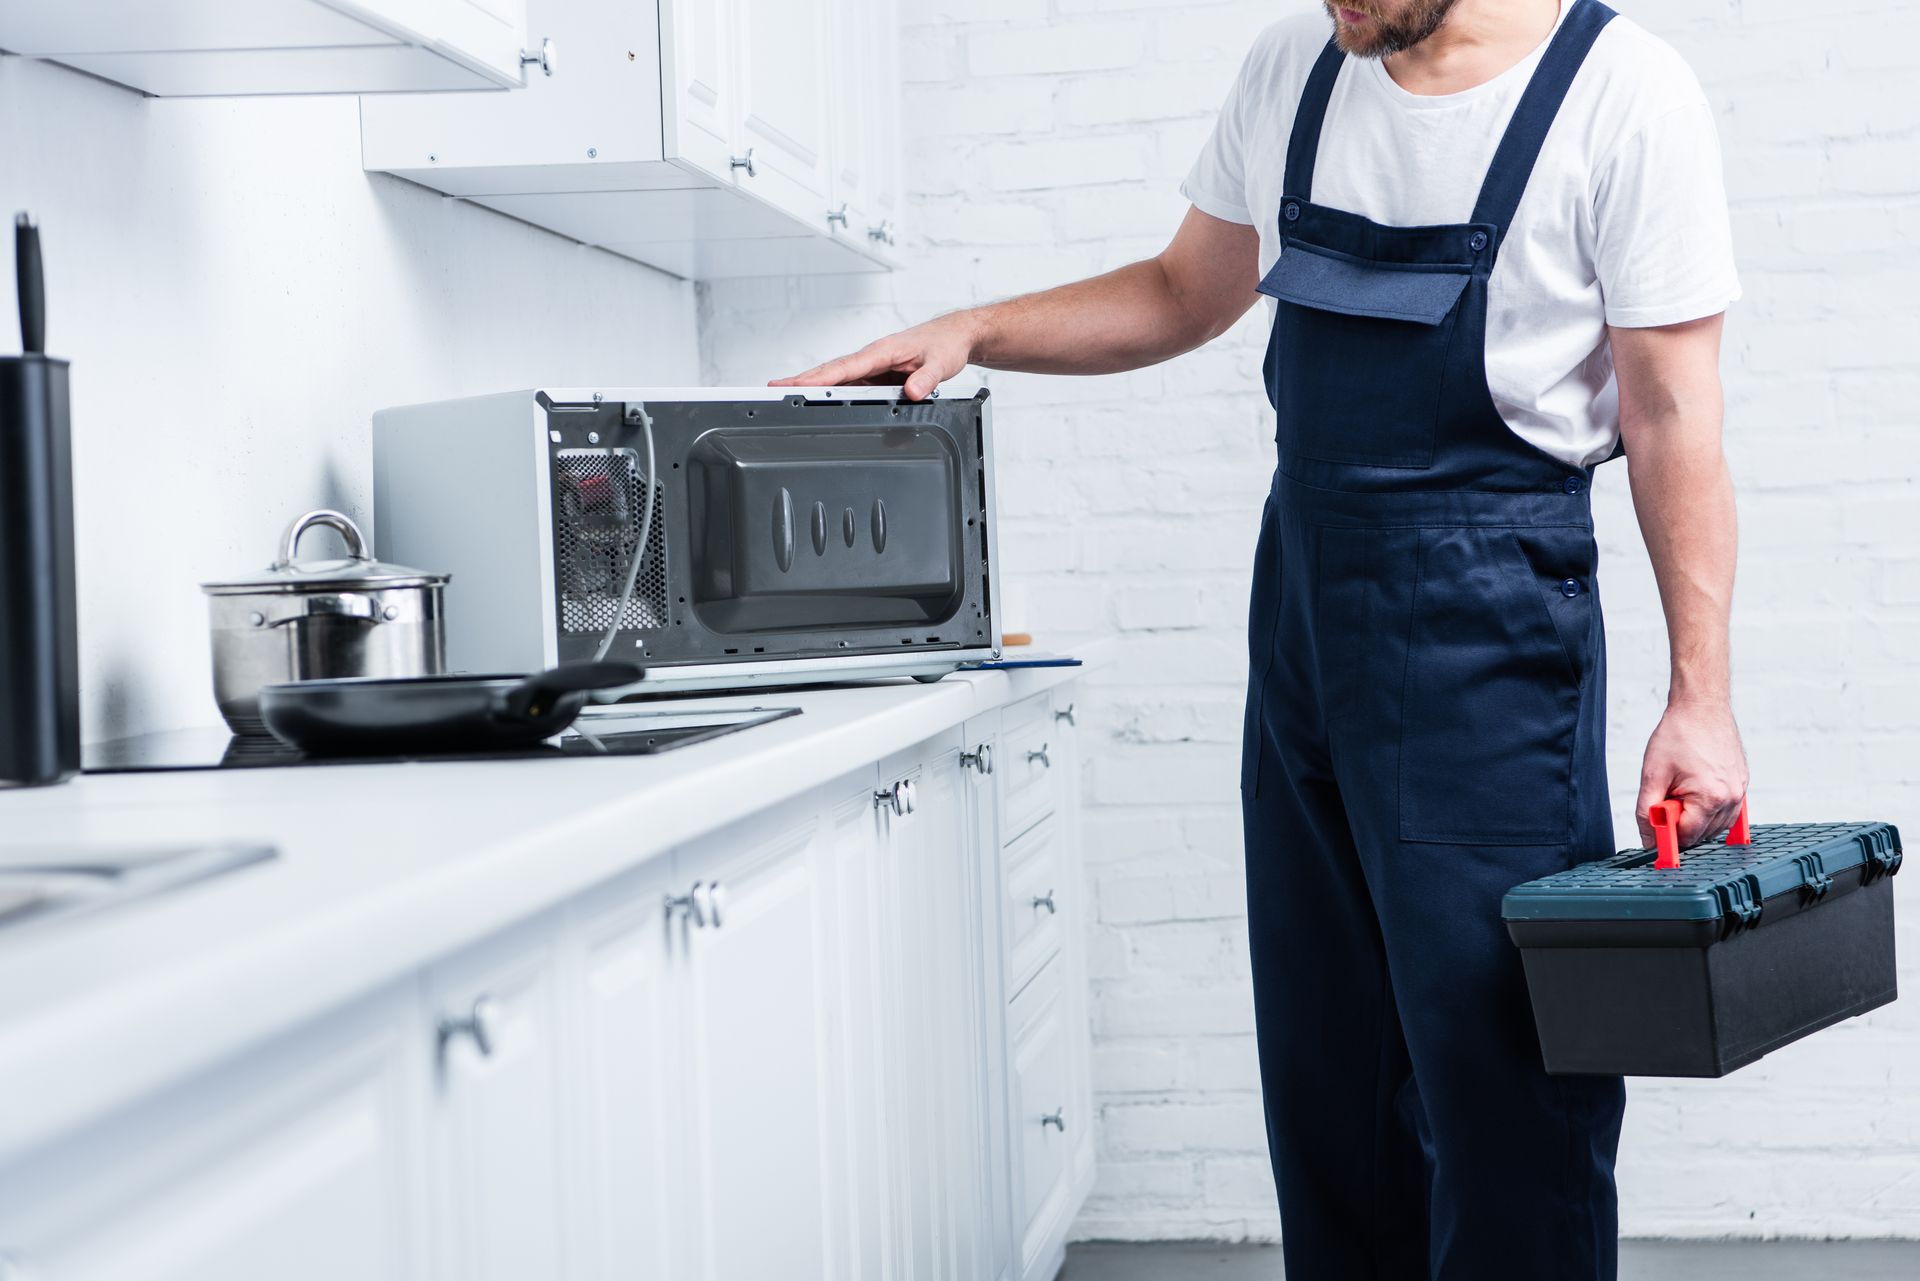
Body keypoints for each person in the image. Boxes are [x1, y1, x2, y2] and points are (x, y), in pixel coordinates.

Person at [775, 0, 1748, 1275]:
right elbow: (1186, 292)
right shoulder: (1300, 67)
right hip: (1302, 608)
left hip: (1488, 628)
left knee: (1502, 1075)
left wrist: (1702, 696)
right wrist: (973, 329)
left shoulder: (1623, 94)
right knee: (1327, 1071)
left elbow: (1674, 415)